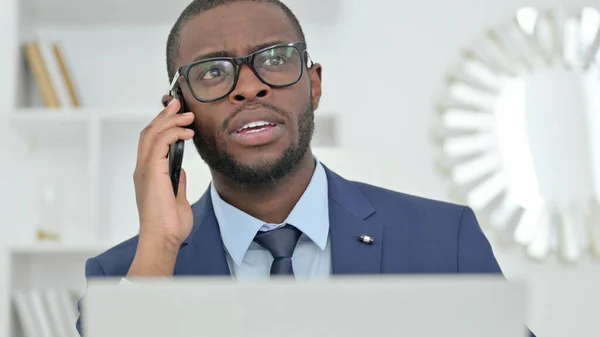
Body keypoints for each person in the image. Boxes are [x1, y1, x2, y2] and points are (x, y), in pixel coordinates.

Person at [75, 0, 535, 336]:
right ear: (177, 109)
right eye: (213, 72)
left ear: (313, 85)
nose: (249, 87)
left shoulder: (444, 241)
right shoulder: (125, 276)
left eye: (275, 59)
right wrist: (159, 247)